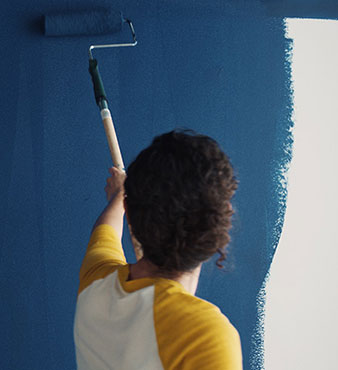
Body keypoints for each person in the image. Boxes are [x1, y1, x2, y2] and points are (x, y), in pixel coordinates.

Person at [73, 130, 243, 369]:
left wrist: (120, 196)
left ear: (130, 212)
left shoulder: (96, 281)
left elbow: (105, 230)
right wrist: (124, 197)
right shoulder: (203, 336)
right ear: (221, 228)